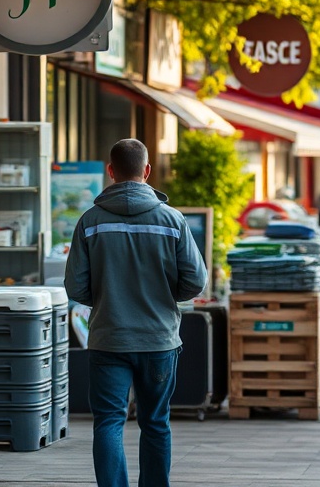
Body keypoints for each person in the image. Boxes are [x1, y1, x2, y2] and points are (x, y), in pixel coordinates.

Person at [64, 139, 207, 487]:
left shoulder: (90, 221)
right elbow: (196, 281)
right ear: (146, 171)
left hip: (109, 339)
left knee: (109, 422)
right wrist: (164, 296)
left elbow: (75, 288)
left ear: (110, 171)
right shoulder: (172, 220)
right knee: (156, 422)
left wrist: (106, 298)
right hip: (158, 340)